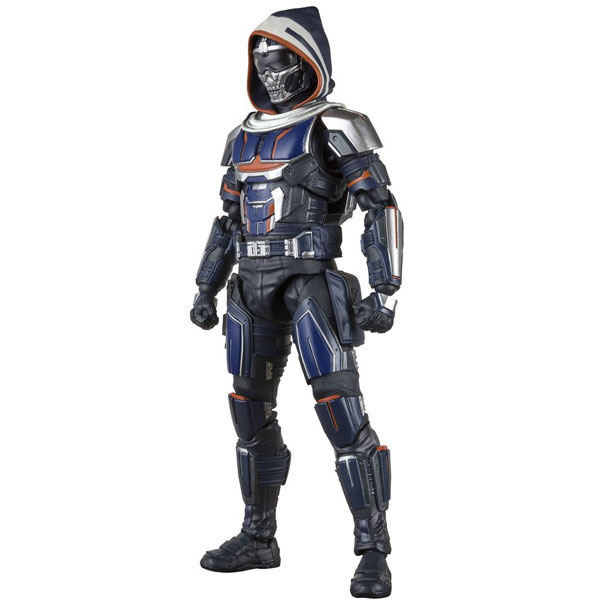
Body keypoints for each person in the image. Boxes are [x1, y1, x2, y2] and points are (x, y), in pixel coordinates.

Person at [190, 7, 403, 598]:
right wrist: (205, 286)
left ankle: (373, 549)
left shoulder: (337, 124)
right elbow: (229, 220)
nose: (269, 71)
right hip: (249, 285)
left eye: (280, 59)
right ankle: (259, 536)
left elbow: (381, 206)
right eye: (260, 62)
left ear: (308, 60)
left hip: (310, 282)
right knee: (248, 412)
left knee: (341, 412)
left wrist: (385, 290)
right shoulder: (243, 135)